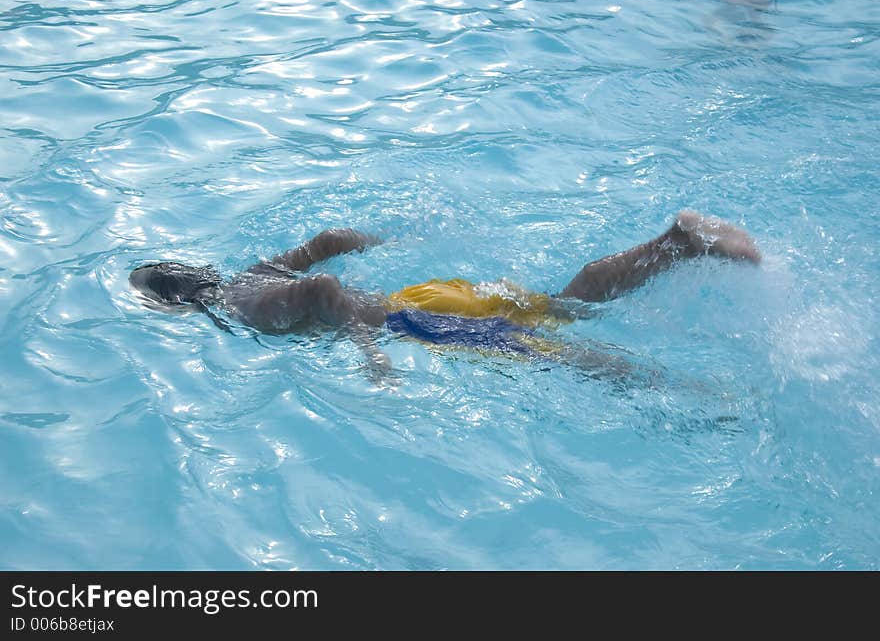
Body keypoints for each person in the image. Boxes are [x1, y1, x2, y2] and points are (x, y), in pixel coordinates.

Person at [129, 210, 760, 381]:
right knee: (568, 306)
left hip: (418, 320)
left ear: (177, 303)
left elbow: (321, 291)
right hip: (429, 293)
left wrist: (366, 351)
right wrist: (398, 234)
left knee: (560, 356)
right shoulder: (250, 273)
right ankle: (675, 243)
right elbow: (325, 244)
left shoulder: (240, 307)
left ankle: (708, 398)